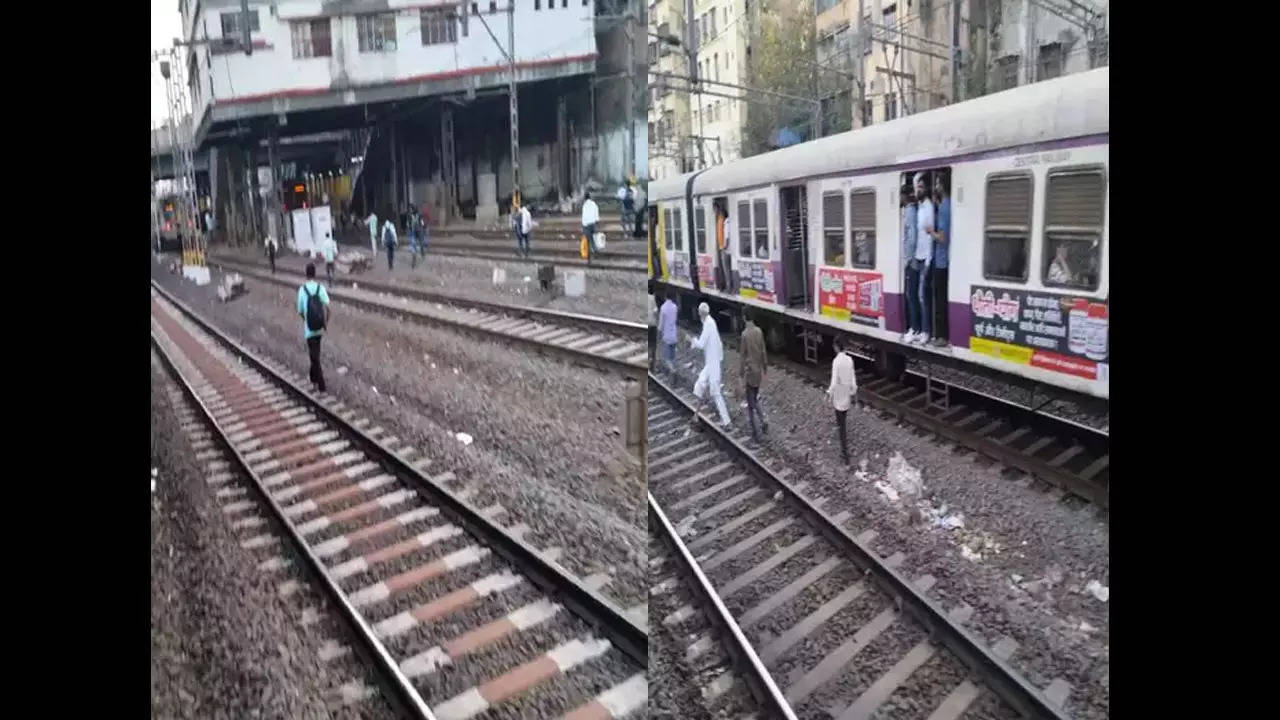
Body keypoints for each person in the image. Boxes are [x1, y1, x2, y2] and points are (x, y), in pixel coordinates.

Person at [691, 302, 731, 427]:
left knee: (715, 392)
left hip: (712, 363)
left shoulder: (708, 324)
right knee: (700, 384)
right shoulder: (711, 322)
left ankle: (727, 421)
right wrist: (719, 358)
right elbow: (719, 343)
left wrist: (692, 340)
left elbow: (701, 344)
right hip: (712, 362)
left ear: (700, 314)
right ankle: (695, 415)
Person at [296, 263, 331, 393]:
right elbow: (328, 307)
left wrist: (305, 319)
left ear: (306, 274)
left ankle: (321, 384)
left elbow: (299, 310)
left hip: (309, 329)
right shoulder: (320, 288)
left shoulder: (302, 289)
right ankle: (313, 379)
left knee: (314, 356)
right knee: (315, 354)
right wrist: (325, 323)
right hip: (319, 328)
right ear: (315, 274)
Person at [827, 336, 858, 465]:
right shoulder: (849, 360)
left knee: (841, 426)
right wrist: (853, 392)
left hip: (838, 395)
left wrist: (829, 393)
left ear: (836, 346)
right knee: (843, 422)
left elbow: (834, 382)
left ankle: (844, 454)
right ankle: (843, 449)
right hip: (846, 394)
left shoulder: (836, 361)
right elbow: (853, 379)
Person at [739, 310, 769, 442]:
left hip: (749, 372)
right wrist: (765, 366)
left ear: (744, 318)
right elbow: (763, 350)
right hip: (758, 372)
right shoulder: (759, 331)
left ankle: (757, 428)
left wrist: (740, 374)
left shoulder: (745, 334)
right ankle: (760, 424)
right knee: (754, 398)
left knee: (751, 403)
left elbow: (742, 356)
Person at [914, 173, 936, 345]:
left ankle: (926, 331)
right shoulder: (920, 207)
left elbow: (929, 236)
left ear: (926, 189)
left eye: (921, 187)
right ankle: (921, 329)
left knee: (923, 296)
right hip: (919, 257)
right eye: (917, 187)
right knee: (918, 295)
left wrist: (928, 261)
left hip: (926, 259)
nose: (918, 190)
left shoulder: (928, 208)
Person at [929, 177, 951, 346]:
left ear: (942, 186)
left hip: (941, 262)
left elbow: (942, 238)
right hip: (945, 260)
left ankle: (941, 337)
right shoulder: (948, 204)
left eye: (937, 183)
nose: (935, 186)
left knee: (939, 300)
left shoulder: (944, 207)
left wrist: (931, 232)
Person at [900, 185, 921, 342]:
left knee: (911, 295)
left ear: (904, 196)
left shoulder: (910, 211)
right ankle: (914, 328)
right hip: (913, 259)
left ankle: (914, 328)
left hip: (912, 261)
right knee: (912, 295)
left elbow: (912, 237)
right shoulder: (913, 210)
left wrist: (908, 258)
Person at [658, 291, 679, 378]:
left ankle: (673, 371)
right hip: (674, 335)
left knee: (666, 358)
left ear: (665, 297)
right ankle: (672, 373)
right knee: (672, 357)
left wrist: (659, 332)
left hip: (666, 336)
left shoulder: (663, 308)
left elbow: (661, 323)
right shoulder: (675, 307)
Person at [581, 191, 599, 264]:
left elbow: (584, 216)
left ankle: (589, 259)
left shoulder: (584, 205)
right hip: (593, 224)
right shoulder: (594, 204)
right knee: (592, 238)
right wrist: (596, 221)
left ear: (585, 198)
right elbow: (596, 213)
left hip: (587, 225)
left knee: (588, 241)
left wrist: (583, 225)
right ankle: (595, 249)